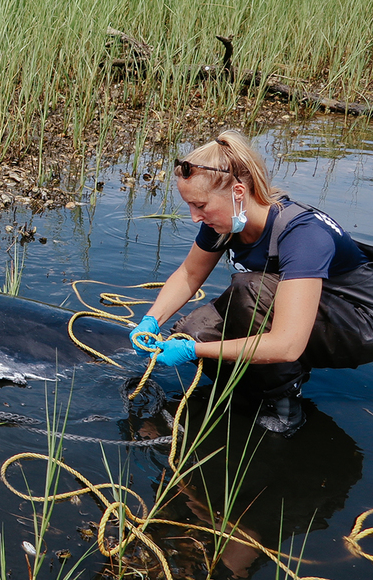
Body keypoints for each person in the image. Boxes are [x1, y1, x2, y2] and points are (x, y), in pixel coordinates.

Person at [130, 130, 373, 436]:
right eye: (189, 206)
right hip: (306, 310)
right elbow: (189, 275)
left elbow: (288, 344)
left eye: (201, 206)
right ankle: (246, 390)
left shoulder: (302, 234)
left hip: (360, 322)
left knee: (249, 290)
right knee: (191, 332)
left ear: (239, 193)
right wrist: (152, 319)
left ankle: (284, 409)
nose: (194, 217)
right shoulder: (225, 223)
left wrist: (197, 351)